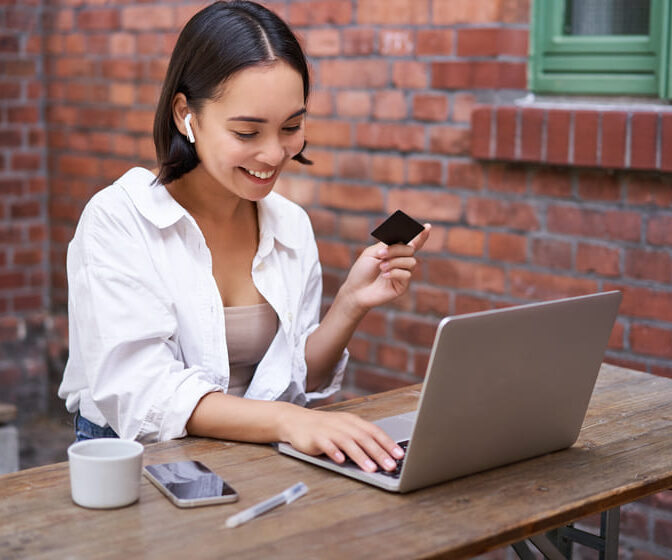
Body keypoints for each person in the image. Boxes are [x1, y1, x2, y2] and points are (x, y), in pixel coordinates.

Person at [58, 0, 431, 474]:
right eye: (248, 131)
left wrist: (351, 303)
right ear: (184, 115)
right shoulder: (119, 220)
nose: (275, 154)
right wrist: (288, 421)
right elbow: (144, 394)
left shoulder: (289, 224)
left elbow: (300, 381)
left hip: (258, 460)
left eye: (291, 127)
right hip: (140, 466)